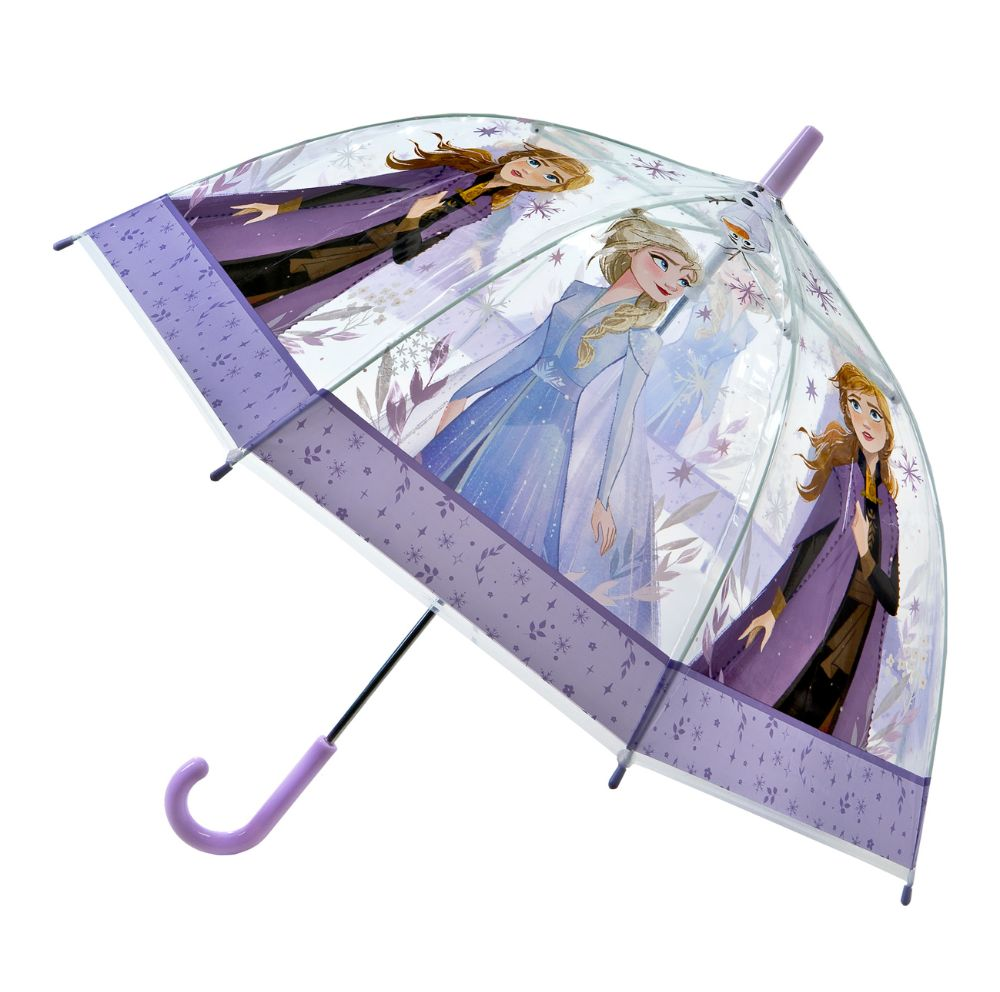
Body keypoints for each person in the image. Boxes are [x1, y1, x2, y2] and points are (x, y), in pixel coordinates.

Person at [418, 210, 702, 570]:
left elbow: (624, 419)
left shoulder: (644, 341)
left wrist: (603, 497)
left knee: (498, 520)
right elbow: (527, 352)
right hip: (500, 403)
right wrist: (463, 393)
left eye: (684, 280)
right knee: (434, 487)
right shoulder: (578, 292)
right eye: (662, 262)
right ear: (633, 249)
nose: (672, 282)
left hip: (547, 432)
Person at [173, 134, 592, 334]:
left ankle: (194, 321)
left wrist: (415, 219)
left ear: (547, 191)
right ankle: (177, 290)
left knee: (265, 292)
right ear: (524, 155)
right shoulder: (452, 171)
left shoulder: (483, 208)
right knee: (236, 263)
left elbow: (407, 252)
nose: (533, 172)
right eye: (537, 162)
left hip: (349, 260)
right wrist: (284, 207)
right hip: (328, 230)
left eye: (549, 178)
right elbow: (364, 189)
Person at [691, 363, 900, 747]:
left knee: (817, 722)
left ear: (888, 430)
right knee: (780, 693)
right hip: (816, 616)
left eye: (874, 413)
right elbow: (810, 548)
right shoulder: (842, 480)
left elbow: (891, 597)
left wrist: (864, 550)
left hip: (855, 635)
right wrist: (776, 609)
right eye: (855, 406)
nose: (864, 420)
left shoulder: (888, 510)